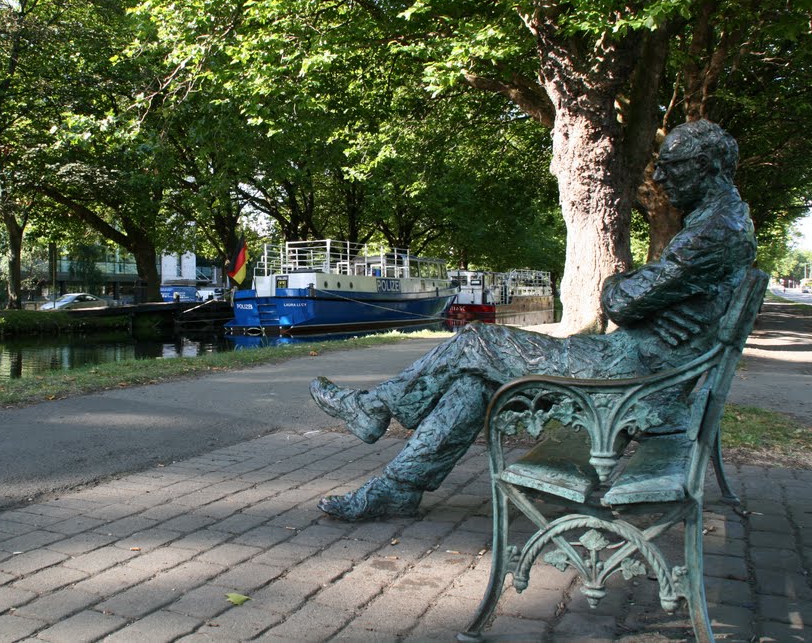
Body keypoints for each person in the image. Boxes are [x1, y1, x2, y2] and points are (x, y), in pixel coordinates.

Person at [310, 120, 758, 521]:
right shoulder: (723, 222)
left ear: (705, 166)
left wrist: (623, 289)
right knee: (475, 381)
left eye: (672, 166)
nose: (659, 177)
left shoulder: (714, 230)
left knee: (476, 342)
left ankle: (374, 407)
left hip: (630, 379)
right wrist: (645, 300)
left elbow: (620, 302)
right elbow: (637, 298)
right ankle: (396, 488)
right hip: (645, 367)